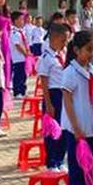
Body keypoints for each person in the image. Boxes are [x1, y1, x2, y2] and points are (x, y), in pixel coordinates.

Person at [60, 30, 93, 185]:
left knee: (89, 163)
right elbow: (67, 101)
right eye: (88, 49)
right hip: (76, 127)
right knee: (77, 164)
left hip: (91, 125)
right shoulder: (70, 72)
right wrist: (76, 127)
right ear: (77, 50)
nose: (92, 54)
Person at [37, 23, 69, 169]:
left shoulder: (62, 54)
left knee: (64, 128)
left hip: (64, 94)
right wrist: (48, 103)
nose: (65, 44)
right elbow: (44, 81)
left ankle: (60, 159)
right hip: (53, 94)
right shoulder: (46, 57)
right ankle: (52, 162)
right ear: (54, 38)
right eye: (63, 40)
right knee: (52, 130)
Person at [10, 11, 29, 99]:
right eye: (21, 19)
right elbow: (17, 45)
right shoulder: (14, 32)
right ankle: (17, 92)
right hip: (17, 58)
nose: (23, 21)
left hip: (23, 58)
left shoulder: (22, 31)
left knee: (23, 75)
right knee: (18, 75)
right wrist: (25, 53)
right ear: (15, 21)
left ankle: (22, 90)